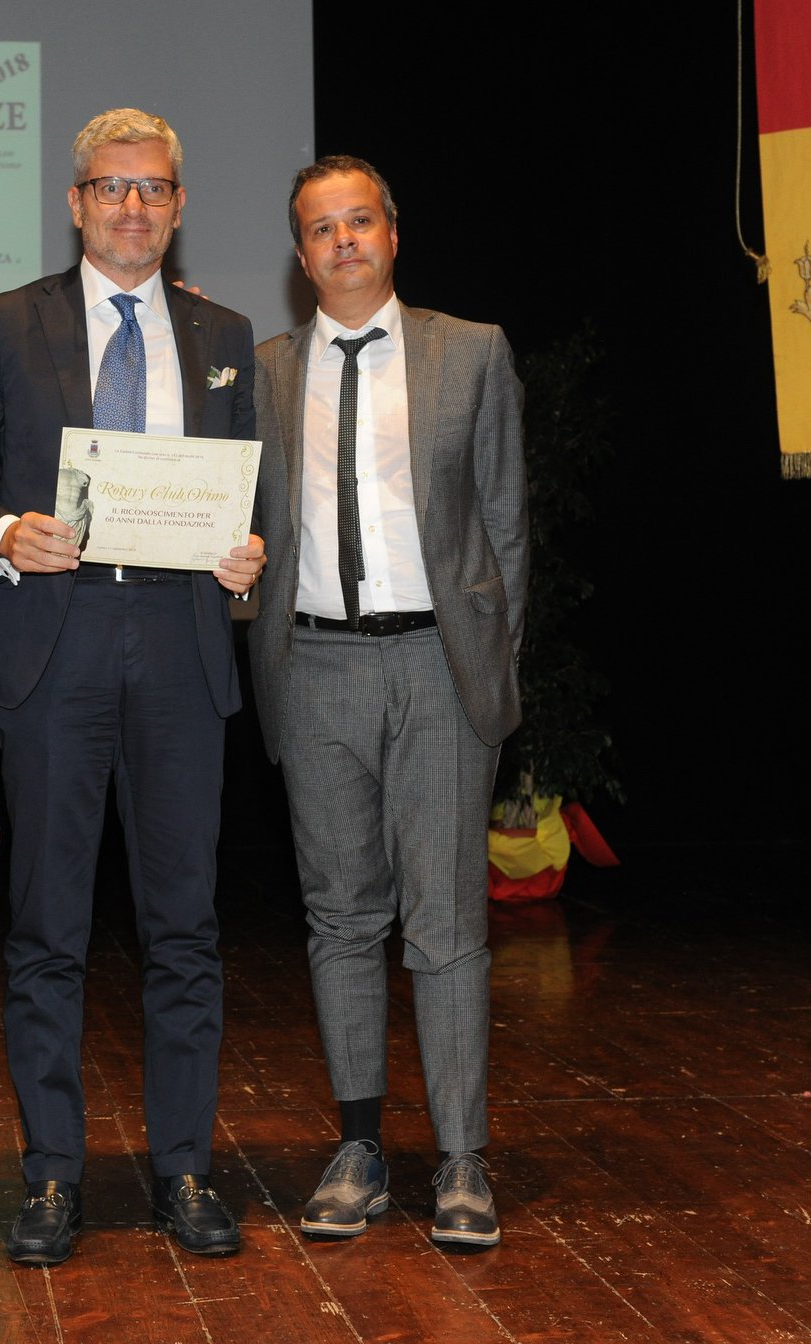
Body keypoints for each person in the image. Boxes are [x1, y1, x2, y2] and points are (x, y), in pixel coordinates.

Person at [0, 108, 265, 1265]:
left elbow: (252, 495)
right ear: (76, 202)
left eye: (154, 188)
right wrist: (3, 534)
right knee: (48, 930)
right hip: (55, 644)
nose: (133, 206)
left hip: (181, 644)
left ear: (179, 207)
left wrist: (251, 552)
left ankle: (183, 1170)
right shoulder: (5, 322)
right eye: (111, 187)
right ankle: (50, 1176)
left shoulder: (224, 333)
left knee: (185, 929)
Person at [247, 155, 527, 1250]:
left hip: (438, 668)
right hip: (314, 667)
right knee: (340, 918)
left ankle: (461, 1160)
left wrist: (491, 667)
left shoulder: (472, 352)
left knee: (447, 924)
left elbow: (506, 527)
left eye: (359, 220)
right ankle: (359, 1149)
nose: (343, 241)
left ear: (392, 234)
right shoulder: (265, 372)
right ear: (300, 253)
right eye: (321, 228)